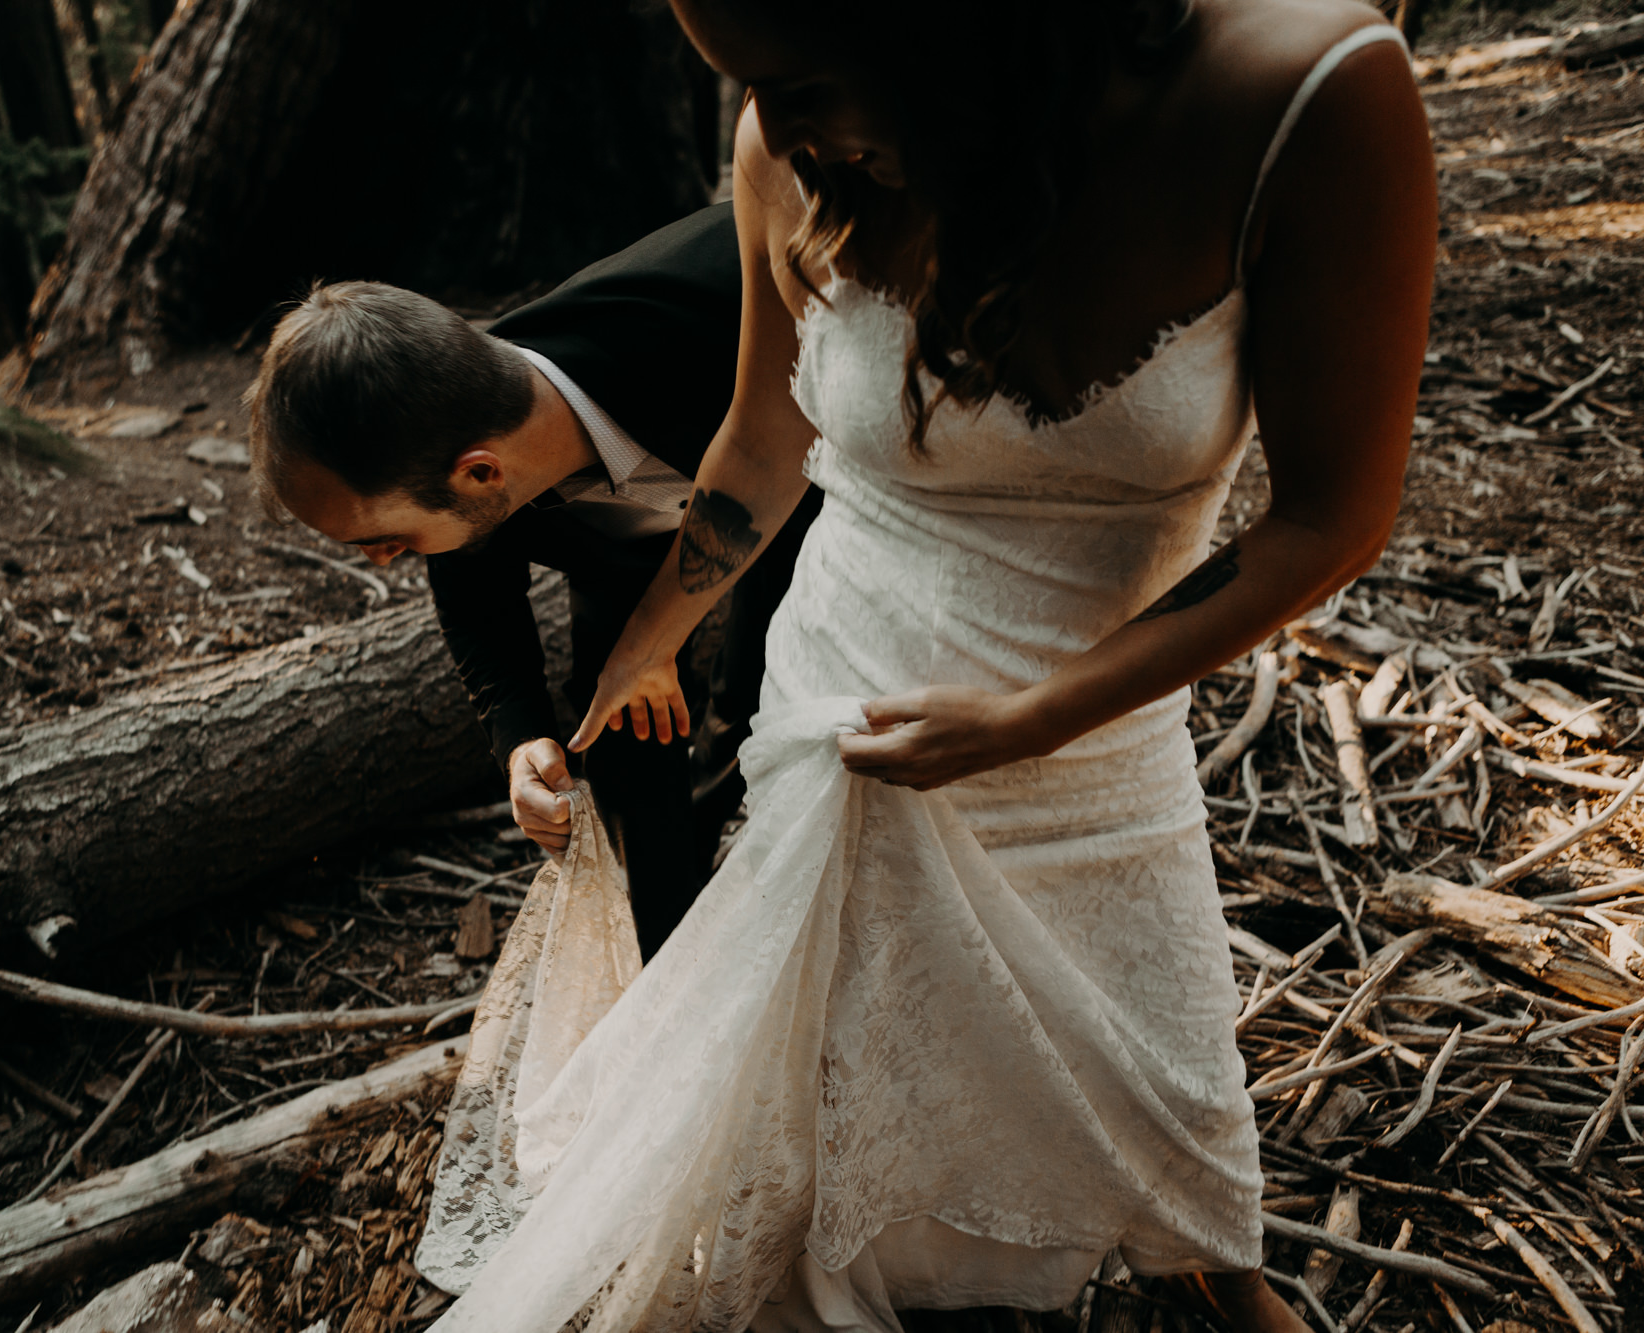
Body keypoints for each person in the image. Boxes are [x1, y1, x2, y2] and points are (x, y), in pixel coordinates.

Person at [416, 0, 1436, 1330]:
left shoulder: (1308, 93)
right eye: (744, 86)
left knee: (1159, 1098)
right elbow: (764, 444)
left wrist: (1034, 717)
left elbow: (1331, 517)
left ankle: (1214, 1283)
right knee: (838, 1078)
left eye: (803, 74)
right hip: (842, 681)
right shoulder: (786, 146)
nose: (773, 128)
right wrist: (645, 642)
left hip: (1093, 721)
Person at [246, 203, 821, 962]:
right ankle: (671, 972)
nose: (384, 560)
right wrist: (521, 743)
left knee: (760, 714)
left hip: (815, 530)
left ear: (481, 472)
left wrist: (665, 636)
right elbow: (476, 605)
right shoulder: (451, 454)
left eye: (384, 539)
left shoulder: (710, 303)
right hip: (622, 577)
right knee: (623, 762)